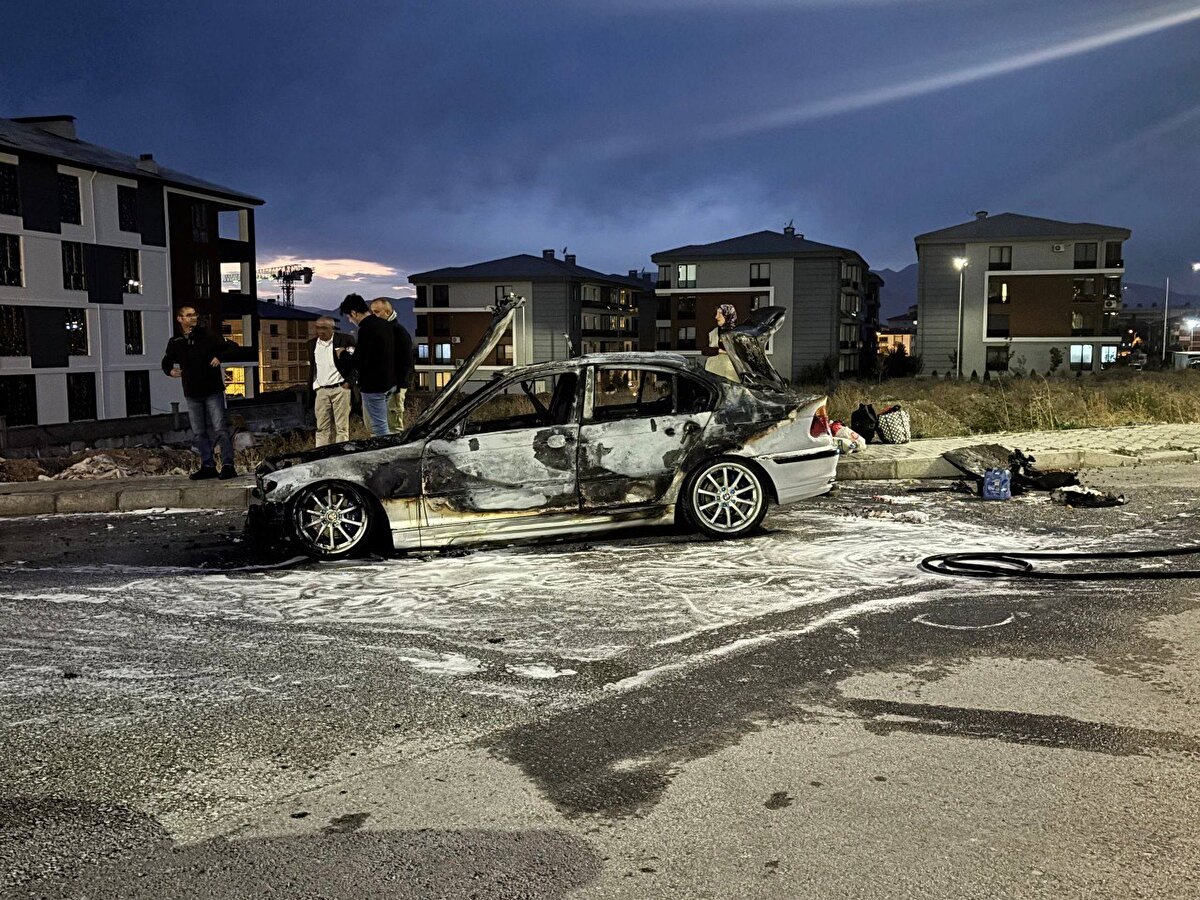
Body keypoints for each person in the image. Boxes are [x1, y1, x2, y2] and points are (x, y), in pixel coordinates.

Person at [161, 306, 239, 479]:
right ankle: (208, 466)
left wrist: (220, 357)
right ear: (180, 319)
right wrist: (170, 371)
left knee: (220, 428)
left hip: (212, 390)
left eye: (194, 314)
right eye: (189, 315)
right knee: (199, 432)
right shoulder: (176, 342)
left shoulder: (207, 336)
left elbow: (233, 347)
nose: (193, 318)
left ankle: (228, 465)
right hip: (192, 393)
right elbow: (166, 361)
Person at [336, 293, 395, 436]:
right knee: (386, 424)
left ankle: (385, 456)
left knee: (379, 428)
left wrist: (342, 354)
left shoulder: (366, 329)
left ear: (354, 313)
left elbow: (359, 360)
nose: (350, 321)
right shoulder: (385, 324)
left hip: (373, 385)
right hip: (390, 382)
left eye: (349, 317)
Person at [308, 316, 354, 446]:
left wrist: (348, 383)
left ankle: (341, 456)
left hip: (341, 389)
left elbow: (355, 364)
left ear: (332, 329)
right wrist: (315, 386)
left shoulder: (345, 340)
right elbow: (313, 367)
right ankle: (321, 455)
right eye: (318, 328)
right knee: (322, 428)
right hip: (321, 390)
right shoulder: (311, 344)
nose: (320, 331)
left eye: (324, 328)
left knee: (342, 427)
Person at [370, 297, 414, 432]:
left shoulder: (398, 332)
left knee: (393, 427)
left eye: (377, 312)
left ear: (388, 312)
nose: (373, 316)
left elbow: (405, 361)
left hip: (392, 387)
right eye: (372, 313)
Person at [704, 303, 741, 382]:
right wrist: (722, 351)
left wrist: (716, 350)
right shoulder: (713, 332)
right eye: (717, 313)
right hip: (713, 373)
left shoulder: (738, 334)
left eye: (720, 313)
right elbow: (705, 350)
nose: (716, 317)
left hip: (731, 375)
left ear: (728, 315)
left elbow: (740, 352)